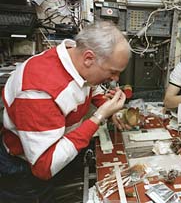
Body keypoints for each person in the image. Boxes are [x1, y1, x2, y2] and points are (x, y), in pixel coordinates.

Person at [0, 21, 131, 202]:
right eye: (113, 72)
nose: (115, 80)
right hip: (25, 171)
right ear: (89, 58)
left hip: (57, 151)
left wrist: (110, 107)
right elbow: (43, 166)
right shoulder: (38, 91)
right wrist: (99, 116)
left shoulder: (73, 60)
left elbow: (90, 88)